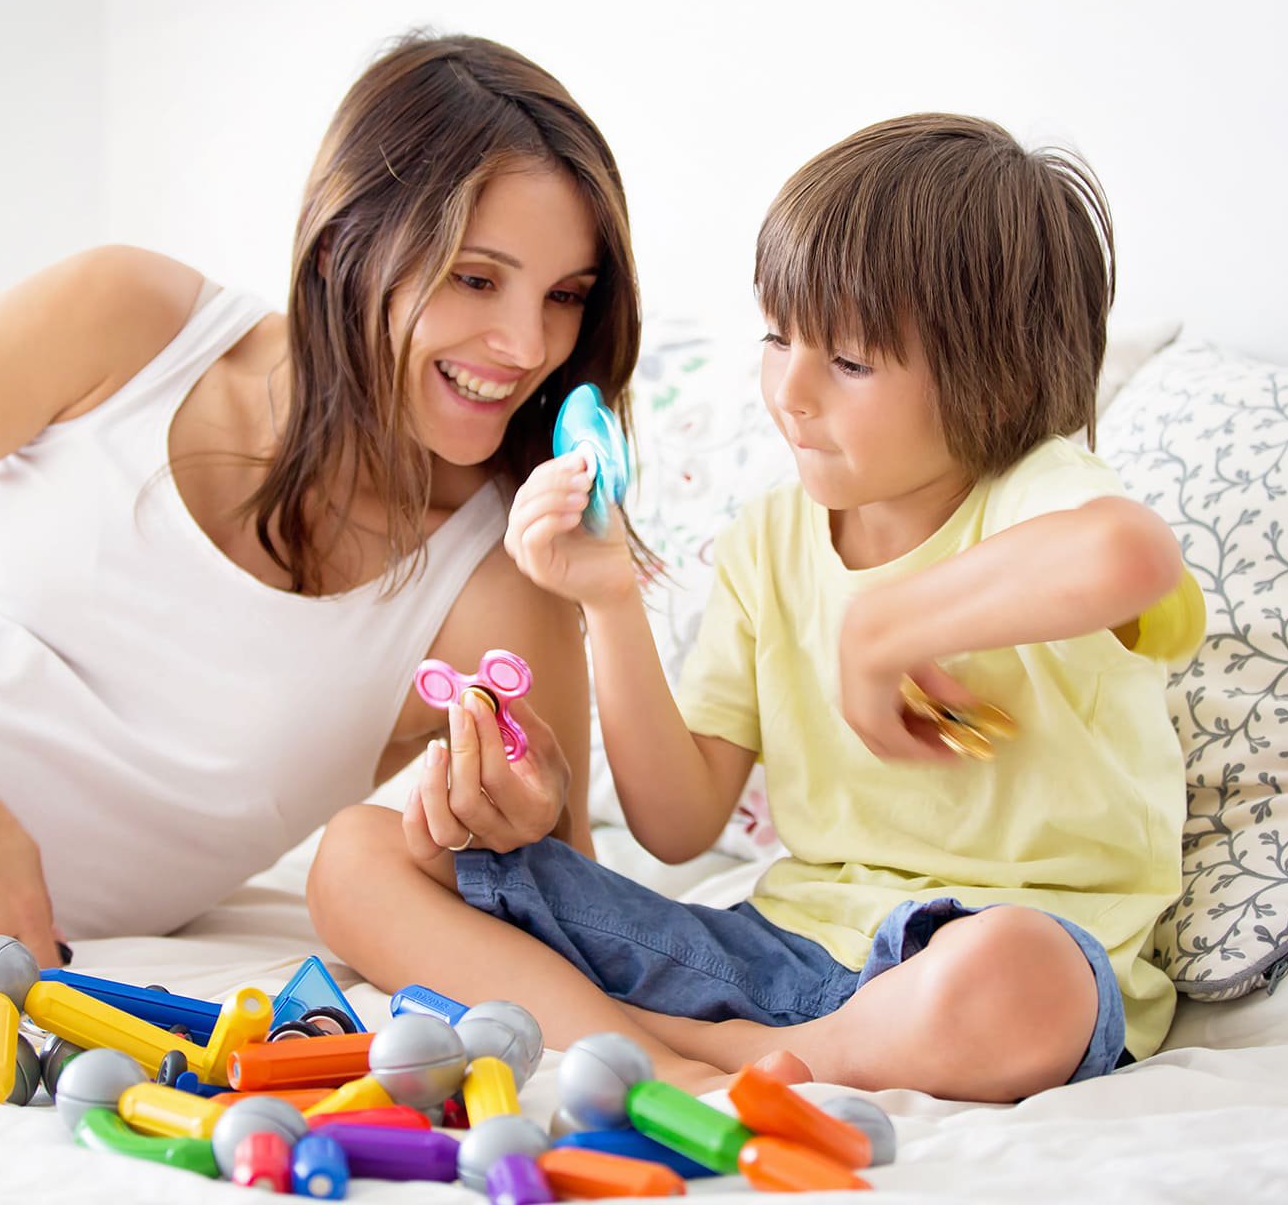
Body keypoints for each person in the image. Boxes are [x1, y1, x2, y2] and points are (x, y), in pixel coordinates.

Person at [0, 32, 647, 969]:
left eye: (567, 295)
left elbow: (562, 910)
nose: (527, 345)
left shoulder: (497, 586)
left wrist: (497, 841)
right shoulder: (132, 323)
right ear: (340, 245)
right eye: (476, 278)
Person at [310, 113, 1200, 1103]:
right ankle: (695, 1050)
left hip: (990, 957)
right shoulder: (771, 539)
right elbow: (677, 821)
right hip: (774, 953)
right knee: (358, 854)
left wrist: (884, 627)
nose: (790, 390)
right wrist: (609, 599)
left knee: (1022, 974)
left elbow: (1132, 553)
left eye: (850, 361)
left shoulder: (1034, 491)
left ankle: (659, 1041)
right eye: (779, 337)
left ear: (997, 373)